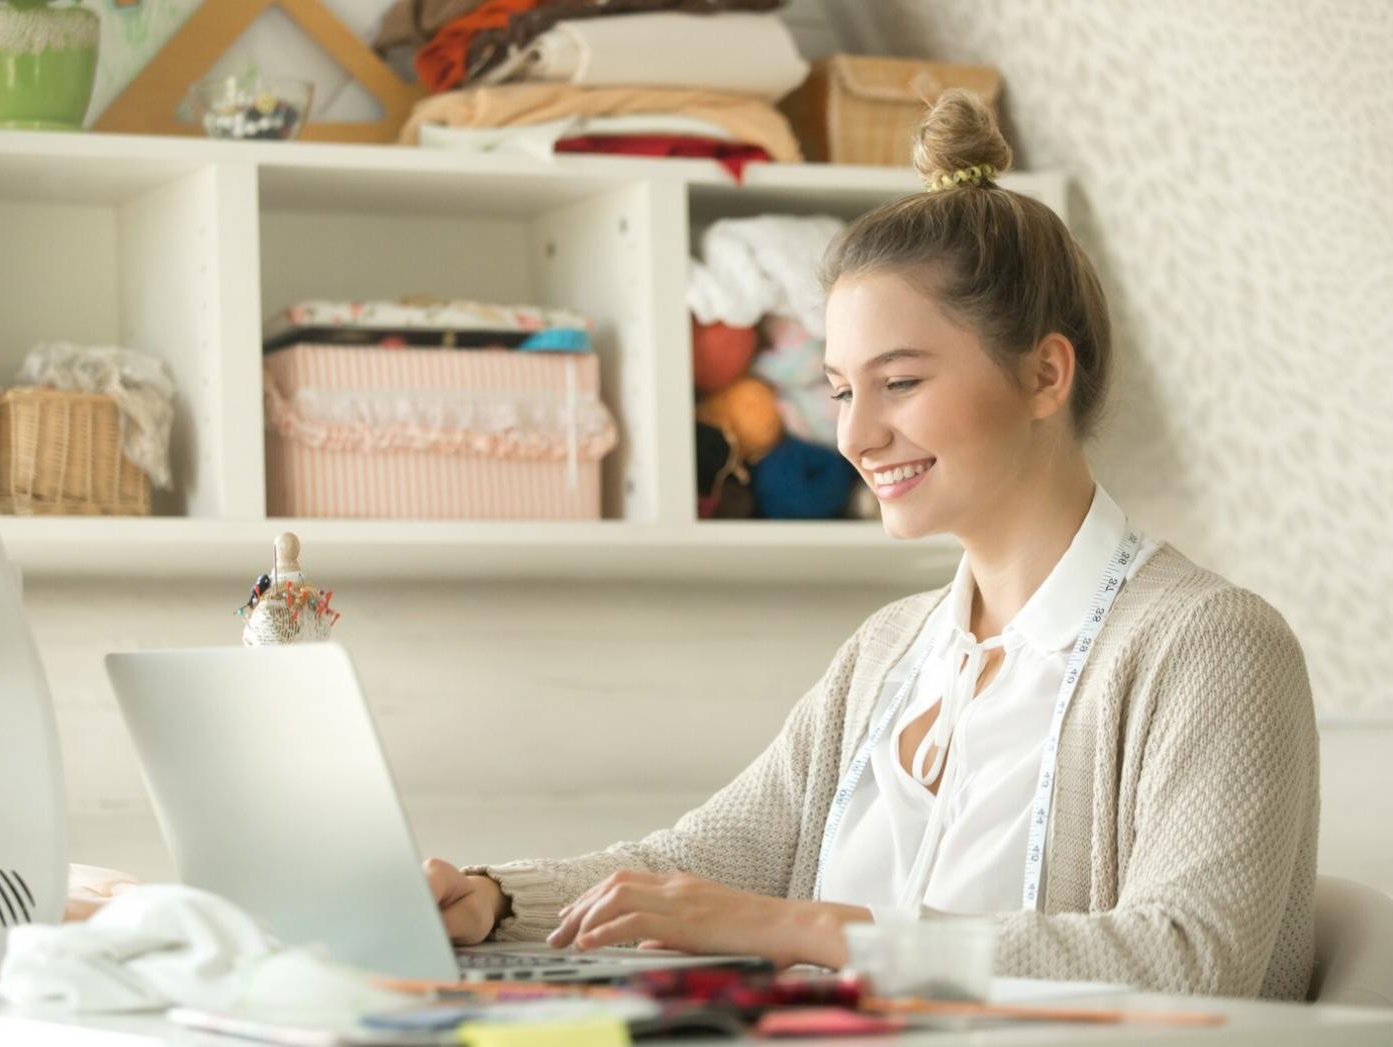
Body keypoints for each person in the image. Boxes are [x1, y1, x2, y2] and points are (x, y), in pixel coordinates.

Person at [422, 88, 1319, 1001]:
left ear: (1046, 373)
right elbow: (689, 867)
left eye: (898, 382)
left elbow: (1190, 958)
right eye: (842, 390)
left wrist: (807, 928)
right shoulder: (890, 653)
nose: (855, 435)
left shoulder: (1210, 645)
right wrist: (493, 901)